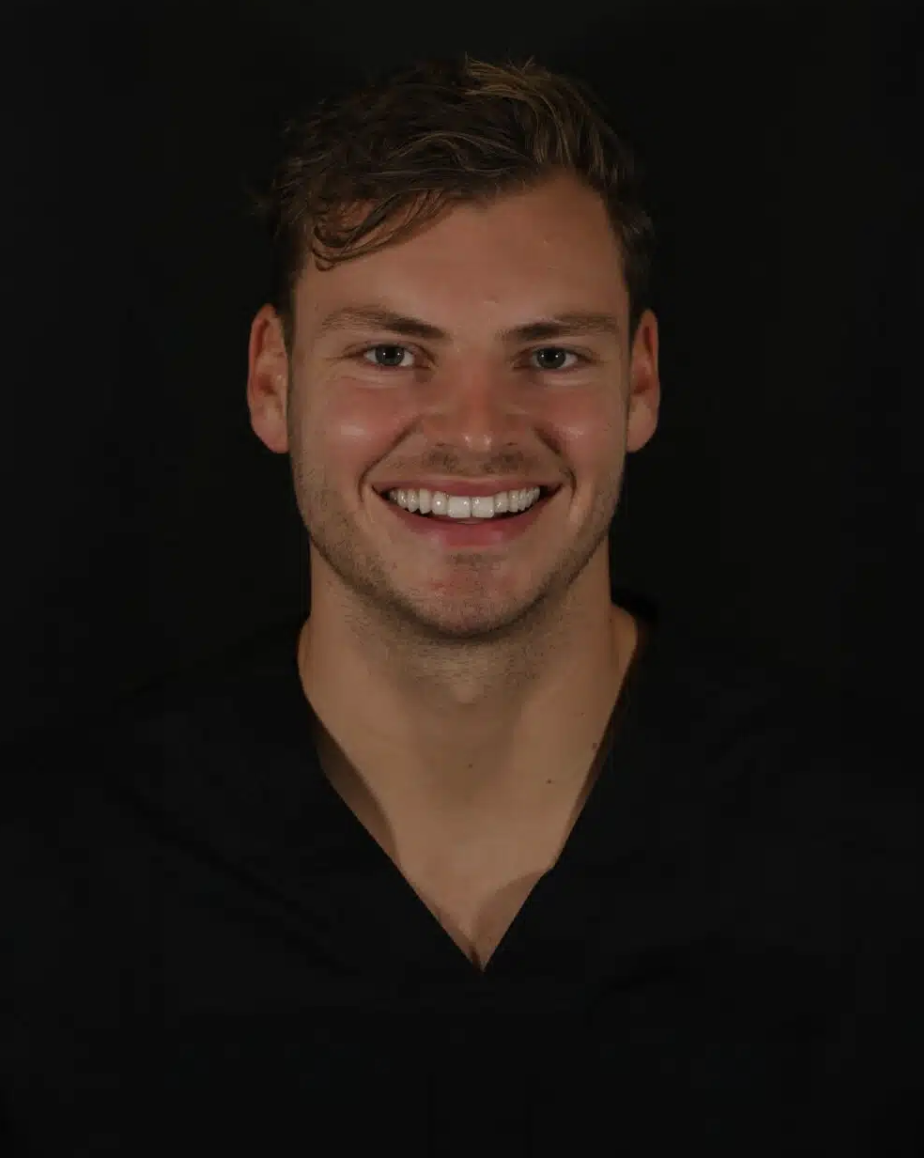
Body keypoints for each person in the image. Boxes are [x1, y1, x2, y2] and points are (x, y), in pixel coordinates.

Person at [2, 53, 921, 1157]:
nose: (478, 432)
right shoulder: (49, 888)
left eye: (549, 353)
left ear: (639, 383)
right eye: (390, 353)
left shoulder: (880, 870)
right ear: (271, 382)